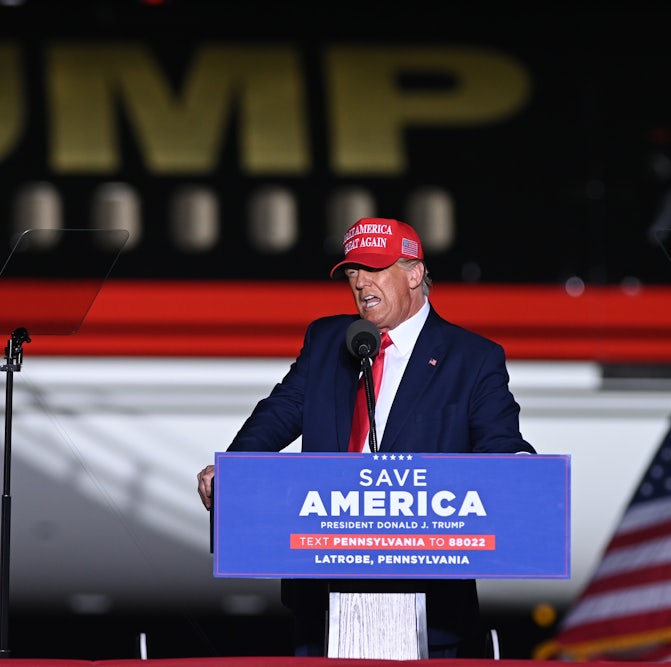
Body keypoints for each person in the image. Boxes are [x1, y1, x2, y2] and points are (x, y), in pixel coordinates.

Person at [197, 217, 535, 658]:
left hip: (428, 609)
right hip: (324, 603)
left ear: (414, 274)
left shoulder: (472, 358)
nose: (360, 283)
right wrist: (235, 467)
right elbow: (280, 412)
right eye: (353, 272)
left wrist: (520, 470)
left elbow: (499, 444)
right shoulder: (328, 340)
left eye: (373, 269)